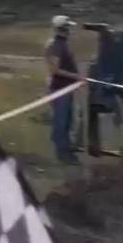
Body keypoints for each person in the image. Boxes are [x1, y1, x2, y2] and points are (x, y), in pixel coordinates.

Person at [43, 15, 86, 165]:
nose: (70, 31)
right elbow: (55, 70)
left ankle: (65, 146)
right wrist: (77, 77)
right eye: (68, 28)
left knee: (67, 119)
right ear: (63, 29)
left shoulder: (61, 44)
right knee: (61, 121)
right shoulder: (56, 45)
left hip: (66, 88)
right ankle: (62, 152)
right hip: (59, 89)